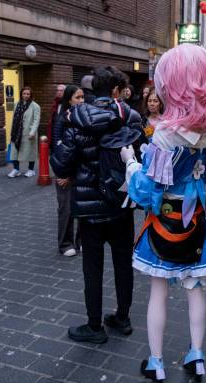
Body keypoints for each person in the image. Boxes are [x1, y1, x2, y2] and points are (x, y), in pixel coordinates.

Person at [121, 44, 206, 383]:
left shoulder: (165, 136)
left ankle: (157, 362)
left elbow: (144, 191)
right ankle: (196, 355)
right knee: (195, 286)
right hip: (198, 219)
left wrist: (130, 162)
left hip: (167, 222)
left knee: (159, 290)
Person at [50, 66, 143, 344]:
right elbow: (142, 160)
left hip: (90, 211)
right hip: (121, 205)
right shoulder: (131, 119)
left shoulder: (77, 120)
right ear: (116, 91)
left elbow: (60, 163)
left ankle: (94, 326)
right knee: (123, 264)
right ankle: (122, 317)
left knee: (92, 268)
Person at [51, 85, 84, 257]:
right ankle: (65, 243)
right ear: (69, 99)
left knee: (83, 206)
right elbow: (58, 149)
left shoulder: (86, 118)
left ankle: (81, 240)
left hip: (82, 170)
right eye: (78, 98)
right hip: (66, 171)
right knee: (66, 208)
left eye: (82, 97)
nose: (81, 101)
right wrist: (64, 173)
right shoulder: (62, 119)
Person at [8, 86, 41, 178]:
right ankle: (16, 170)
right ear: (21, 94)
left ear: (31, 95)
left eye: (28, 94)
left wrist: (33, 132)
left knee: (30, 151)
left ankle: (31, 170)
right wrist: (12, 132)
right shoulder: (16, 104)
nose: (26, 95)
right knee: (14, 152)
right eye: (24, 94)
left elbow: (36, 120)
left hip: (29, 133)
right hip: (16, 133)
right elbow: (14, 119)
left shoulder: (35, 106)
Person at [47, 84, 66, 152]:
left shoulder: (68, 104)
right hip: (54, 133)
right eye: (57, 90)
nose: (59, 92)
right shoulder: (55, 103)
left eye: (61, 90)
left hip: (63, 134)